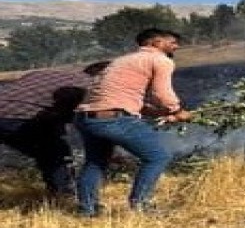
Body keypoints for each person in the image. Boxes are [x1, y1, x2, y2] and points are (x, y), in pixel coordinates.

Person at [0, 61, 111, 209]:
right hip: (12, 117)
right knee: (55, 155)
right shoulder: (90, 87)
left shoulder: (45, 74)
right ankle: (64, 197)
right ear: (105, 74)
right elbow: (60, 115)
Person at [74, 28, 192, 216]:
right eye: (172, 42)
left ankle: (87, 209)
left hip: (86, 118)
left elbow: (124, 98)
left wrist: (162, 113)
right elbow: (161, 94)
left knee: (95, 162)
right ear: (156, 43)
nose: (176, 46)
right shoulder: (160, 59)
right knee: (157, 157)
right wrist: (177, 110)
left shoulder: (121, 61)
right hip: (113, 119)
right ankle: (140, 206)